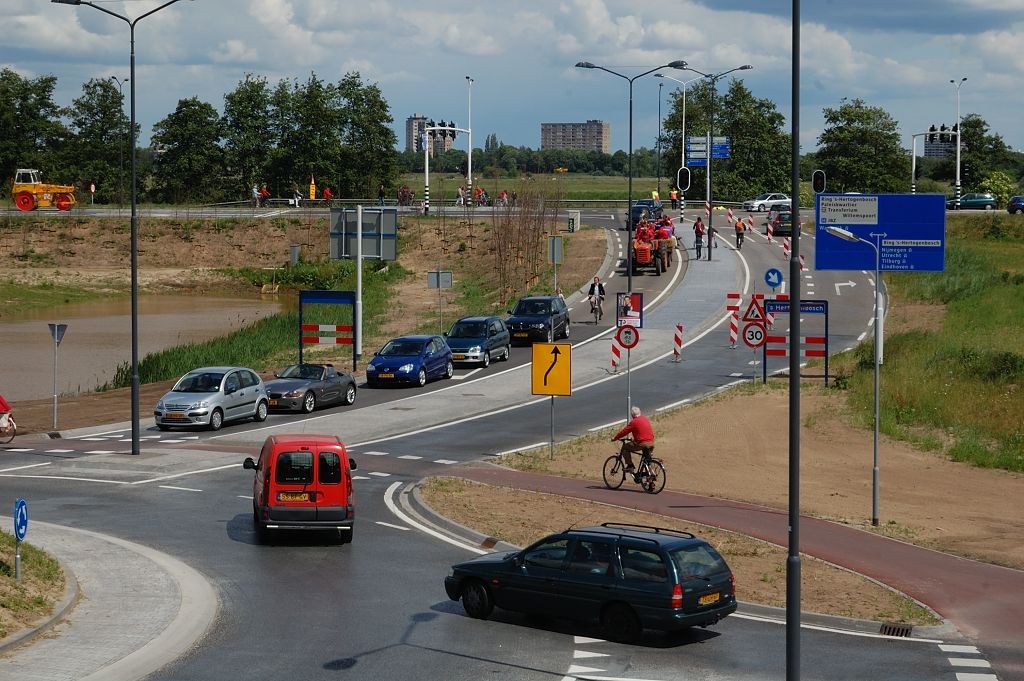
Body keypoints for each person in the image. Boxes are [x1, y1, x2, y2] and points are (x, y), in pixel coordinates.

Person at [612, 406, 655, 474]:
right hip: (651, 443)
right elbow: (643, 432)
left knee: (625, 448)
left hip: (642, 443)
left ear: (632, 415)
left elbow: (624, 431)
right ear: (640, 413)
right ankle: (650, 477)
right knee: (647, 460)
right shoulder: (645, 418)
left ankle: (630, 466)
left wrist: (615, 438)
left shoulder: (634, 422)